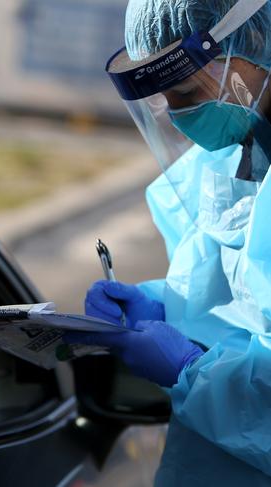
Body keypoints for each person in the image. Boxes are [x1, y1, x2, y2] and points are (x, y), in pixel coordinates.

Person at [65, 0, 271, 484]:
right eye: (162, 99)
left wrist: (189, 368)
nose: (177, 115)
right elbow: (239, 293)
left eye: (183, 88)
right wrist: (162, 304)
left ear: (256, 42)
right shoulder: (235, 152)